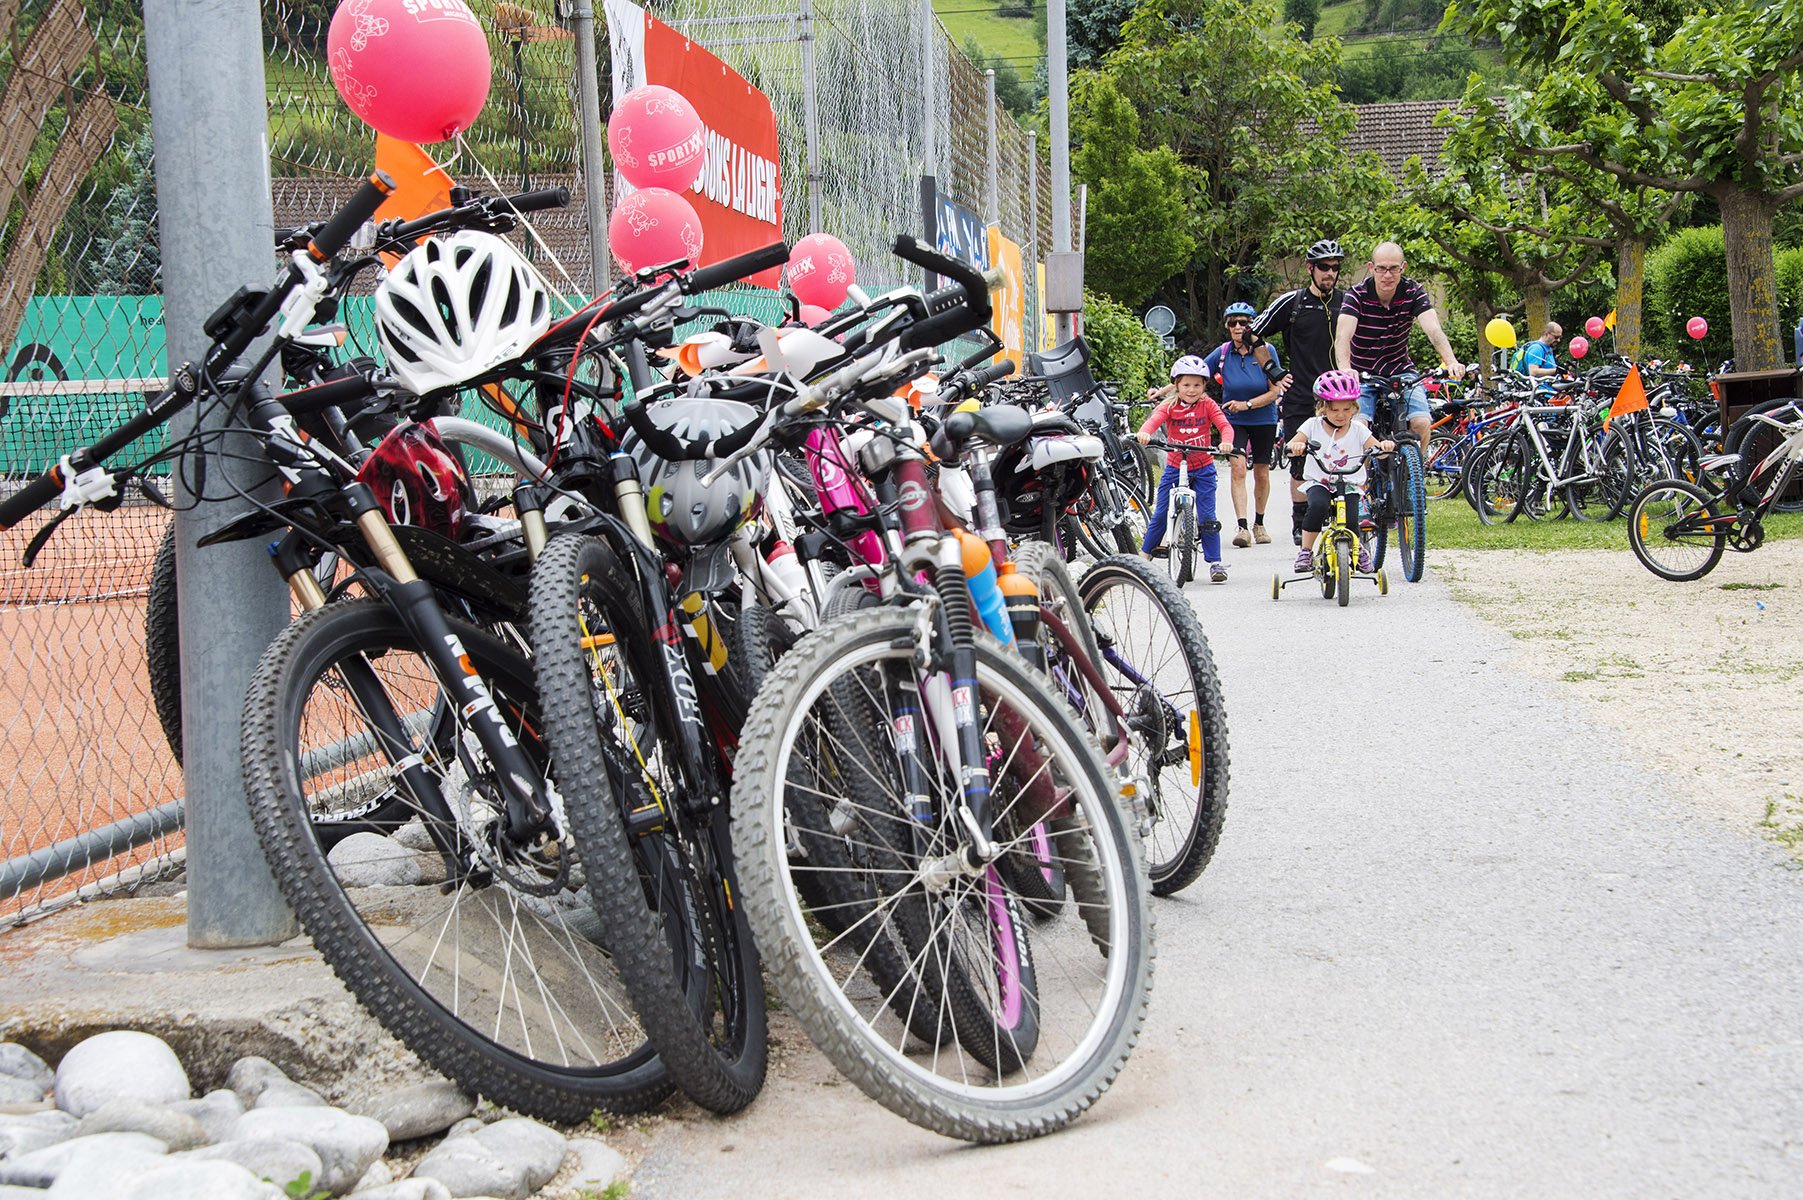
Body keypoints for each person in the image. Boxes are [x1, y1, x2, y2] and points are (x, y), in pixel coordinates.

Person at [1243, 238, 1346, 545]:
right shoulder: (1293, 302)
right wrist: (1273, 372)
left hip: (1341, 397)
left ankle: (1347, 518)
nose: (1330, 273)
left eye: (1336, 267)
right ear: (1310, 269)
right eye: (1324, 267)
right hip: (1302, 395)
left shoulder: (1348, 301)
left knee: (1348, 458)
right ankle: (1301, 526)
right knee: (1300, 463)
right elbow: (1252, 334)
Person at [1333, 241, 1466, 457]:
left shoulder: (1413, 291)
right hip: (1362, 373)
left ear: (1402, 268)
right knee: (1358, 427)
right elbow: (1342, 336)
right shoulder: (1357, 295)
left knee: (1422, 422)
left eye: (1394, 268)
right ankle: (1361, 485)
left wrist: (1450, 361)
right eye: (1382, 268)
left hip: (1401, 370)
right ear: (1371, 267)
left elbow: (1433, 330)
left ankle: (1414, 479)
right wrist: (1345, 369)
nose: (1388, 275)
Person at [1285, 369, 1394, 575]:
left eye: (1347, 409)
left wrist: (1384, 447)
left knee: (1352, 518)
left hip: (1350, 482)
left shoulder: (1359, 429)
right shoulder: (1312, 425)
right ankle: (1306, 550)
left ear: (1355, 408)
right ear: (1322, 407)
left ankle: (1357, 548)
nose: (1341, 415)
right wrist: (1296, 447)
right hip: (1321, 481)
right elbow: (1291, 445)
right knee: (1317, 506)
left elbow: (1376, 449)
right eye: (1334, 410)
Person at [1138, 356, 1235, 583]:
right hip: (1175, 467)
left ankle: (1215, 562)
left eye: (1197, 385)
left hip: (1203, 467)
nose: (1192, 390)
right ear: (1177, 385)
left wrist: (1226, 441)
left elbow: (1224, 426)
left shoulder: (1208, 404)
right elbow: (1154, 420)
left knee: (1208, 516)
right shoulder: (1169, 405)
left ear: (1204, 386)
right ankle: (1144, 556)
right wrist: (1145, 432)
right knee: (1161, 512)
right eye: (1186, 385)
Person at [1203, 302, 1284, 548]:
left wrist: (1247, 404)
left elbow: (1275, 391)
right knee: (1238, 469)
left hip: (1263, 418)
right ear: (1227, 326)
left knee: (1261, 471)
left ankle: (1259, 524)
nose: (1239, 327)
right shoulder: (1223, 352)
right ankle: (1242, 527)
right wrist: (1163, 392)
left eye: (1244, 322)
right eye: (1233, 322)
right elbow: (1192, 374)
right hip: (1233, 420)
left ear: (1252, 325)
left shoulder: (1265, 350)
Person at [1516, 322, 1563, 393]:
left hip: (1549, 391)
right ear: (1546, 334)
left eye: (1560, 337)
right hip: (1541, 392)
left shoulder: (1547, 349)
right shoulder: (1537, 349)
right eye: (1556, 337)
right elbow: (1533, 371)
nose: (1558, 340)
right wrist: (1556, 371)